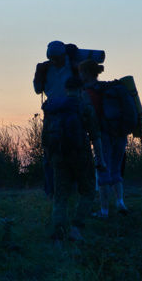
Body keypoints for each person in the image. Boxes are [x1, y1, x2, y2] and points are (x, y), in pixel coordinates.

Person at [42, 76, 105, 242]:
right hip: (80, 155)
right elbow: (95, 137)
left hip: (58, 157)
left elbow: (44, 138)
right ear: (81, 90)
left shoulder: (53, 108)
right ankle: (76, 228)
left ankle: (58, 231)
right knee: (88, 190)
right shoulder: (84, 107)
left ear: (65, 89)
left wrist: (50, 157)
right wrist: (100, 160)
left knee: (60, 195)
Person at [78, 59, 129, 217]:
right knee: (116, 168)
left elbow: (88, 116)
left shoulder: (88, 93)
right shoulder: (109, 88)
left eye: (81, 72)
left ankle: (104, 210)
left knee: (102, 169)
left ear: (86, 73)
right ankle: (120, 202)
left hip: (103, 135)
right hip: (120, 132)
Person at [33, 41, 80, 198]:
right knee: (49, 151)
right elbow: (37, 89)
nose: (54, 60)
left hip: (69, 112)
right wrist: (39, 73)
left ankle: (70, 187)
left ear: (63, 55)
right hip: (53, 113)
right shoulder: (44, 68)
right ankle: (51, 189)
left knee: (71, 149)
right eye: (51, 58)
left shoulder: (73, 66)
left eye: (56, 57)